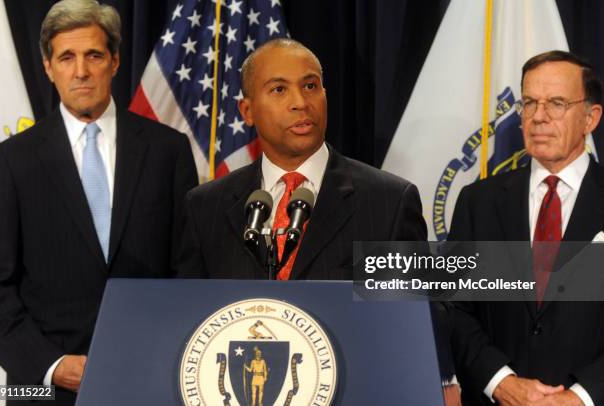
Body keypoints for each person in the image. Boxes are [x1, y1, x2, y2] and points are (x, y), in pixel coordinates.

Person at [0, 0, 197, 403]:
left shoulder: (167, 151)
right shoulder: (10, 161)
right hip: (42, 388)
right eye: (66, 57)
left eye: (94, 55)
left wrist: (161, 350)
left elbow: (188, 268)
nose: (81, 71)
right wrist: (52, 364)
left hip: (150, 376)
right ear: (48, 68)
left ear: (115, 62)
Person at [176, 38, 427, 280]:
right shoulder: (205, 207)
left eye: (310, 86)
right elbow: (191, 312)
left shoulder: (390, 201)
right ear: (248, 111)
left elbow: (422, 313)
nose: (300, 103)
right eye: (279, 89)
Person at [449, 50, 604, 405]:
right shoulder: (478, 202)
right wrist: (500, 382)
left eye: (556, 103)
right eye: (529, 103)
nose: (538, 117)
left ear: (590, 118)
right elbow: (454, 307)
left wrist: (582, 396)